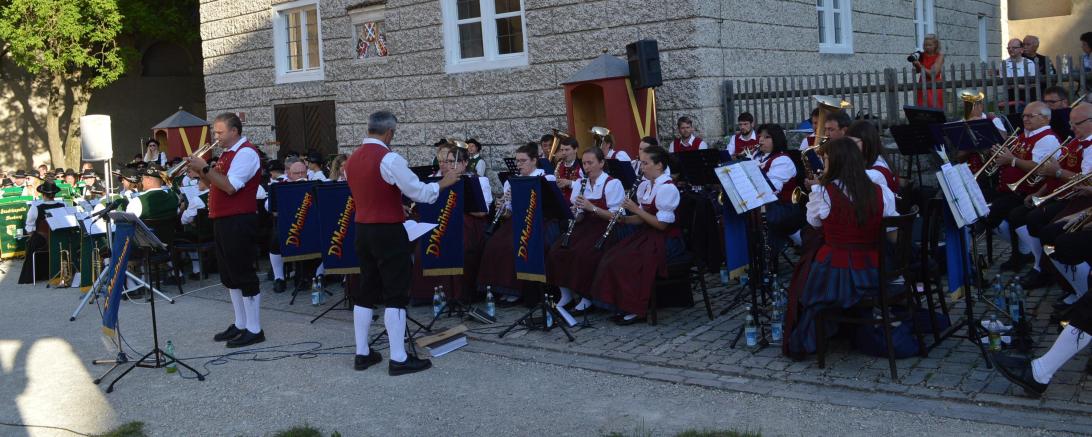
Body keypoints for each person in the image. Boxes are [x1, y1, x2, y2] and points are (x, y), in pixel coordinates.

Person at [344, 110, 459, 375]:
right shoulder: (389, 157)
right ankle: (398, 358)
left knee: (366, 289)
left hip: (362, 229)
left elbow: (371, 193)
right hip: (387, 230)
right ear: (389, 133)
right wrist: (443, 183)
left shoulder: (351, 160)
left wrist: (395, 204)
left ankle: (362, 353)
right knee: (396, 292)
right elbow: (418, 191)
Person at [787, 138, 898, 357]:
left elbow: (814, 223)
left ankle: (818, 334)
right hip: (873, 270)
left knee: (808, 269)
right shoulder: (880, 191)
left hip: (837, 273)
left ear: (836, 162)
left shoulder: (824, 192)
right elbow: (891, 233)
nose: (823, 165)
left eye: (826, 160)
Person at [184, 112, 266, 348]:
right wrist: (200, 171)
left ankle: (254, 328)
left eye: (220, 132)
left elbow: (230, 187)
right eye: (215, 132)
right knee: (229, 275)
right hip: (224, 219)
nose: (215, 137)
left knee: (242, 272)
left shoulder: (246, 153)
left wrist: (206, 168)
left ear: (234, 131)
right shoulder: (227, 154)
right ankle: (241, 323)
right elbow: (213, 185)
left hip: (239, 219)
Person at [590, 145, 685, 325]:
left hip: (667, 241)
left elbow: (662, 224)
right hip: (648, 235)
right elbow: (641, 219)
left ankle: (636, 309)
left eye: (645, 164)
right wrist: (624, 220)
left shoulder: (667, 188)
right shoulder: (645, 186)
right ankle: (621, 304)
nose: (641, 168)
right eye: (641, 164)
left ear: (659, 166)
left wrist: (635, 210)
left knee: (630, 261)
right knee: (613, 256)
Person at [546, 147, 625, 325]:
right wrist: (576, 212)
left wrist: (591, 208)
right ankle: (566, 294)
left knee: (583, 254)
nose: (586, 167)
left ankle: (586, 296)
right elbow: (580, 216)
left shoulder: (612, 183)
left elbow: (617, 217)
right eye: (585, 163)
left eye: (591, 163)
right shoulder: (581, 183)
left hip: (605, 228)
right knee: (556, 250)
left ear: (602, 163)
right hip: (585, 226)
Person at [409, 146, 491, 305]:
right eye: (444, 161)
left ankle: (458, 294)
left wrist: (459, 203)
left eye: (452, 162)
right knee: (422, 249)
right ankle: (429, 294)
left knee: (461, 245)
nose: (447, 165)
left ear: (465, 162)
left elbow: (483, 211)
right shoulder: (437, 181)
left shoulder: (478, 180)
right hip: (440, 221)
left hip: (467, 222)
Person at [477, 143, 557, 305]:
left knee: (512, 246)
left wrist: (521, 197)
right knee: (494, 244)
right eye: (517, 161)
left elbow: (549, 205)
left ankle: (516, 290)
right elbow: (509, 214)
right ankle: (501, 288)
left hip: (539, 221)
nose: (518, 165)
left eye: (522, 161)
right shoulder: (512, 181)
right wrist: (503, 207)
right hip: (517, 221)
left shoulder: (546, 178)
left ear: (534, 160)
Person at [987, 101, 1061, 274]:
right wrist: (999, 155)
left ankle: (1028, 255)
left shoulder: (1047, 138)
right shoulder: (1026, 135)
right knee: (987, 207)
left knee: (1001, 211)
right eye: (1024, 116)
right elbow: (1010, 156)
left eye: (1030, 116)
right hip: (1011, 189)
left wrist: (1011, 160)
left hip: (1027, 190)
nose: (1025, 119)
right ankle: (1021, 250)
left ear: (1045, 118)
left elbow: (1038, 167)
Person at [754, 124, 804, 268]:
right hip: (766, 205)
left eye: (767, 137)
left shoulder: (783, 160)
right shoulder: (759, 157)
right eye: (760, 137)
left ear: (776, 139)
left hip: (784, 207)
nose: (761, 140)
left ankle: (767, 263)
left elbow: (772, 189)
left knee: (761, 219)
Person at [266, 161, 309, 293]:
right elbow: (268, 206)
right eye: (297, 173)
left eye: (303, 173)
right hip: (287, 226)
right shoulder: (281, 186)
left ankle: (311, 277)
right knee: (276, 239)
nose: (301, 175)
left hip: (308, 225)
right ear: (289, 174)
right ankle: (279, 278)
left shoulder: (313, 185)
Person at [17, 181, 65, 284]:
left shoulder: (35, 207)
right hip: (61, 240)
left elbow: (29, 229)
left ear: (42, 194)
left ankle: (34, 275)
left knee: (33, 241)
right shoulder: (63, 205)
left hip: (42, 241)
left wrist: (31, 236)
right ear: (54, 194)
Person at [846, 121, 899, 194]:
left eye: (853, 143)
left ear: (867, 142)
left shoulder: (875, 174)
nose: (849, 147)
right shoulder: (876, 159)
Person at [913, 34, 945, 109]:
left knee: (935, 109)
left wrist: (920, 66)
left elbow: (933, 74)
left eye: (930, 45)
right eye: (925, 45)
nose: (927, 47)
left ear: (936, 45)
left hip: (935, 86)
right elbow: (917, 71)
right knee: (922, 110)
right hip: (923, 84)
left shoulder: (940, 56)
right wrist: (915, 63)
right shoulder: (921, 55)